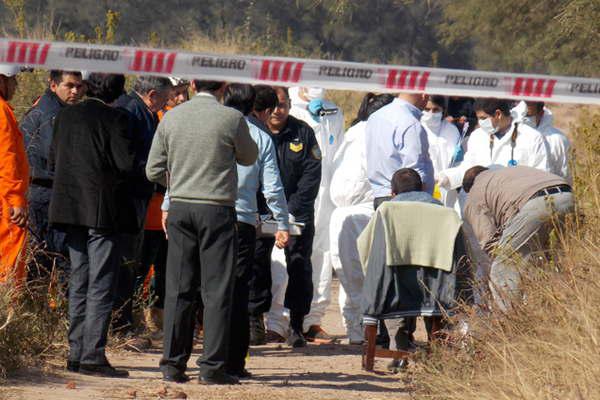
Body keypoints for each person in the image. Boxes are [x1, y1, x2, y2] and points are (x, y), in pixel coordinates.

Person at [146, 80, 257, 385]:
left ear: (193, 83)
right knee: (216, 289)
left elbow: (153, 169)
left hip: (181, 207)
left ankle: (172, 363)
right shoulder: (231, 118)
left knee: (179, 287)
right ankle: (212, 367)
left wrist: (180, 182)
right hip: (217, 209)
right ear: (223, 86)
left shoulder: (172, 117)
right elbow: (249, 157)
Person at [49, 73, 135, 377]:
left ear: (88, 86)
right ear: (118, 91)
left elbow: (52, 159)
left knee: (79, 280)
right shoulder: (114, 118)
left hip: (68, 208)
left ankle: (76, 352)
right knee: (100, 283)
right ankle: (93, 355)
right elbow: (126, 163)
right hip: (102, 211)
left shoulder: (65, 115)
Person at [222, 83, 289, 378]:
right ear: (260, 110)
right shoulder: (260, 136)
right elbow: (273, 187)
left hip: (209, 215)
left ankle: (205, 358)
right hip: (243, 220)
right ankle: (234, 361)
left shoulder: (216, 127)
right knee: (238, 290)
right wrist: (283, 223)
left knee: (209, 287)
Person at [251, 86, 321, 347]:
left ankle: (296, 325)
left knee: (299, 265)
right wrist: (266, 211)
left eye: (283, 105)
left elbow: (311, 175)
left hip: (296, 213)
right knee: (256, 263)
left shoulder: (303, 132)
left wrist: (288, 213)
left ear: (290, 105)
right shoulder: (254, 131)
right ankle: (255, 320)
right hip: (261, 211)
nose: (278, 111)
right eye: (274, 106)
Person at [328, 93, 394, 344]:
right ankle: (360, 331)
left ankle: (363, 331)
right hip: (353, 211)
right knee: (354, 276)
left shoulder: (359, 133)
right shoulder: (361, 134)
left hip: (363, 208)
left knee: (356, 277)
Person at [462, 165, 574, 311]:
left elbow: (490, 244)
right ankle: (567, 309)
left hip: (535, 204)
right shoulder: (510, 172)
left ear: (468, 188)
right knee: (558, 262)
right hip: (568, 196)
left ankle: (510, 325)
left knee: (502, 268)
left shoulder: (474, 194)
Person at [112, 76, 173, 337]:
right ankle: (121, 324)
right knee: (126, 266)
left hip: (140, 198)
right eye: (165, 98)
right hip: (127, 199)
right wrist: (157, 174)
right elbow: (131, 158)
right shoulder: (129, 112)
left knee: (134, 264)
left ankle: (127, 320)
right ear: (151, 94)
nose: (166, 103)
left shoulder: (144, 112)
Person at [288, 86, 344, 342]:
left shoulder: (334, 111)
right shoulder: (285, 106)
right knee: (286, 254)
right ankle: (278, 320)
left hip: (326, 194)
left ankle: (313, 319)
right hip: (296, 194)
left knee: (321, 254)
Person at [20, 70, 84, 278]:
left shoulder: (52, 107)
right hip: (44, 191)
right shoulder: (52, 113)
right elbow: (55, 155)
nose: (75, 91)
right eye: (70, 86)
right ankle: (41, 305)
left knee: (45, 255)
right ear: (53, 85)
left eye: (79, 86)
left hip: (41, 189)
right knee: (49, 256)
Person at [437, 98, 550, 192]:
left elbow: (541, 175)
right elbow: (469, 167)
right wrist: (449, 177)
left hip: (516, 200)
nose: (480, 123)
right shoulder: (478, 136)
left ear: (498, 114)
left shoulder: (531, 137)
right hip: (482, 200)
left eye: (483, 118)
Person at [366, 92, 435, 209]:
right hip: (405, 201)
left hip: (381, 197)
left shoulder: (376, 116)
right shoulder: (410, 122)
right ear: (424, 95)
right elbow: (416, 172)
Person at [0, 65, 29, 286]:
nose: (16, 85)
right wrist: (16, 199)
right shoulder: (1, 111)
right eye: (12, 79)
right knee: (8, 261)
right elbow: (7, 158)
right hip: (5, 202)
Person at [420, 95, 463, 211]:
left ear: (443, 110)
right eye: (427, 109)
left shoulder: (451, 130)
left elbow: (457, 160)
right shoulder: (417, 128)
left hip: (446, 184)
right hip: (423, 185)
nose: (431, 114)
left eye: (435, 110)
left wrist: (448, 176)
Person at [513, 101, 570, 180]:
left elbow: (565, 174)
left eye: (528, 115)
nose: (522, 119)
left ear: (541, 114)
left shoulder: (557, 139)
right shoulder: (511, 135)